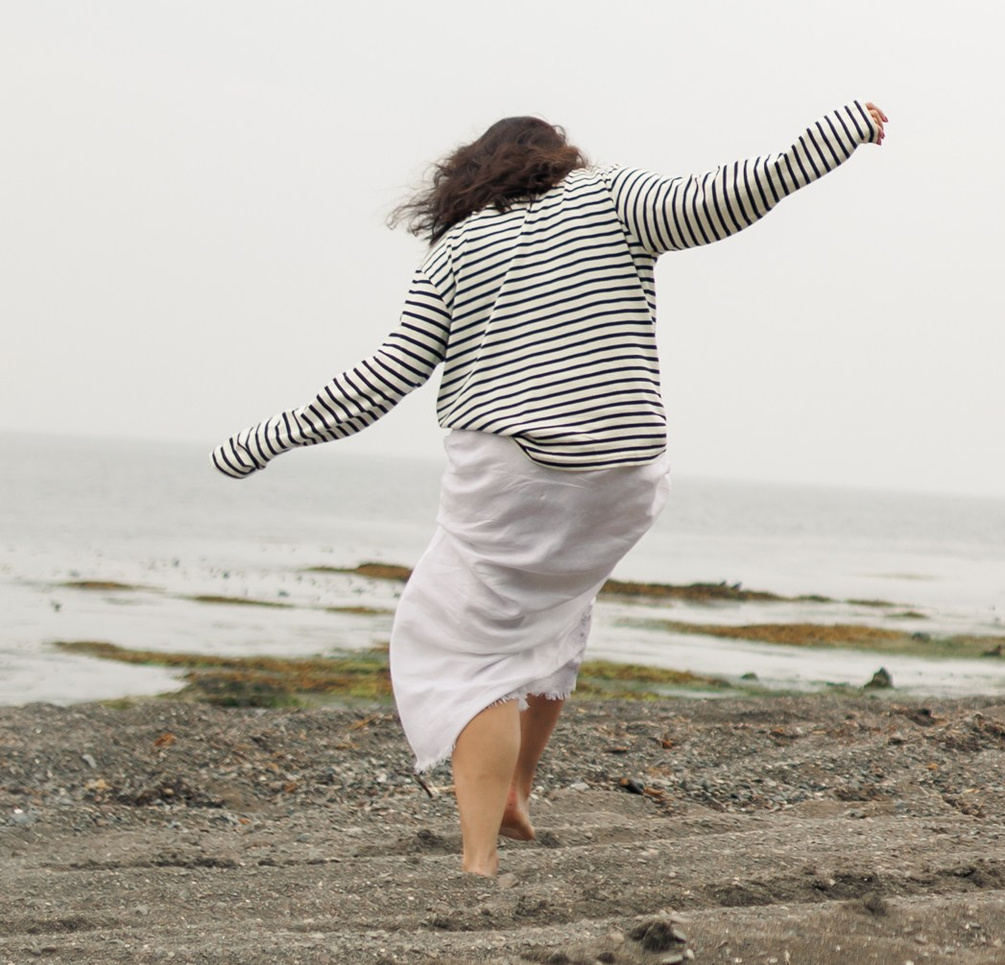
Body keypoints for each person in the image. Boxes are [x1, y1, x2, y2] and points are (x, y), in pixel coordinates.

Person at [212, 99, 887, 871]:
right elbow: (733, 193)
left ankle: (476, 861)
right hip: (624, 478)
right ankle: (515, 790)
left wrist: (263, 440)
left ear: (472, 176)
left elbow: (381, 380)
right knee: (559, 603)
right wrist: (836, 134)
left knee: (461, 647)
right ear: (556, 159)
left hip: (515, 474)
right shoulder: (614, 198)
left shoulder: (459, 250)